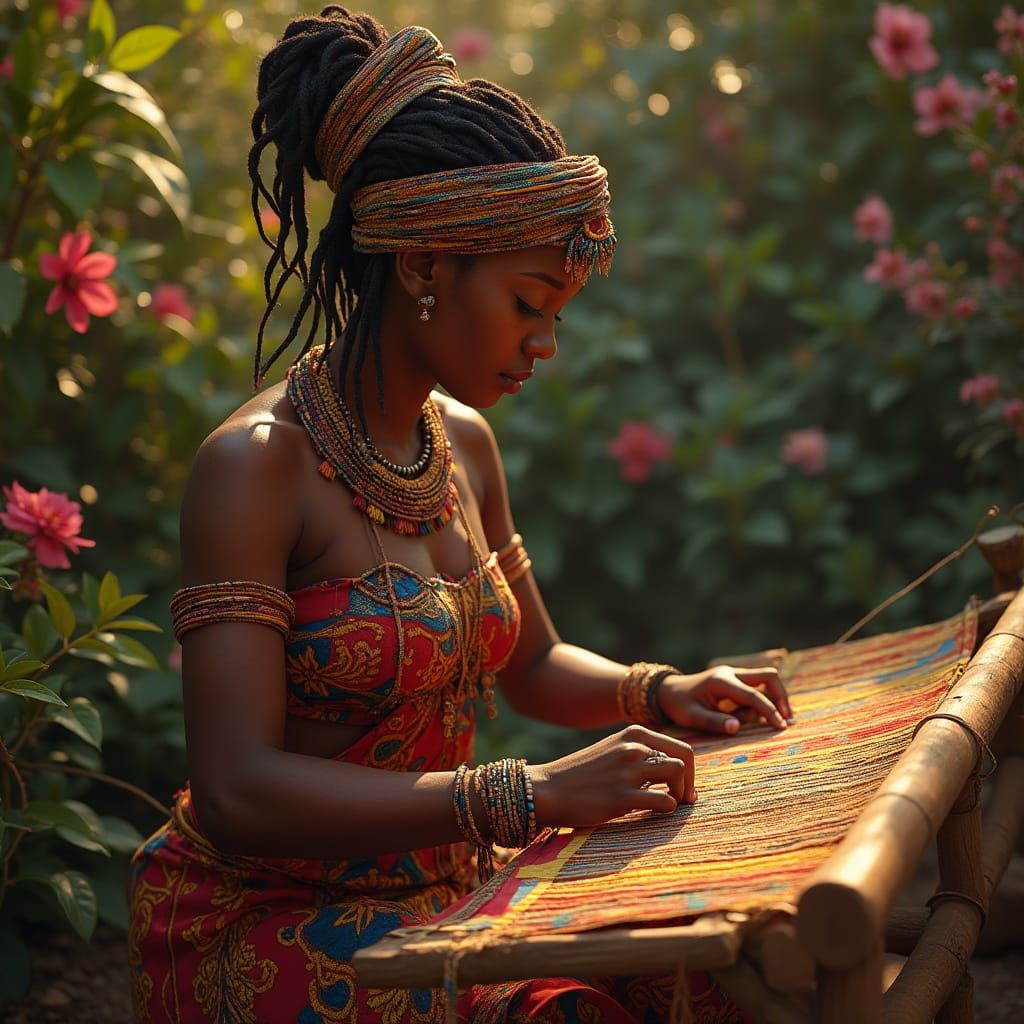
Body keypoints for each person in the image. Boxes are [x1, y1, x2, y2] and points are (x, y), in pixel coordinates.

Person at [127, 7, 792, 1022]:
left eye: (557, 315)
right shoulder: (254, 469)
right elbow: (235, 789)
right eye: (528, 303)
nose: (545, 344)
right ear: (423, 266)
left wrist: (661, 690)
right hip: (270, 917)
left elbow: (533, 662)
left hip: (453, 887)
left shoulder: (465, 445)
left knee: (731, 967)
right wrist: (528, 793)